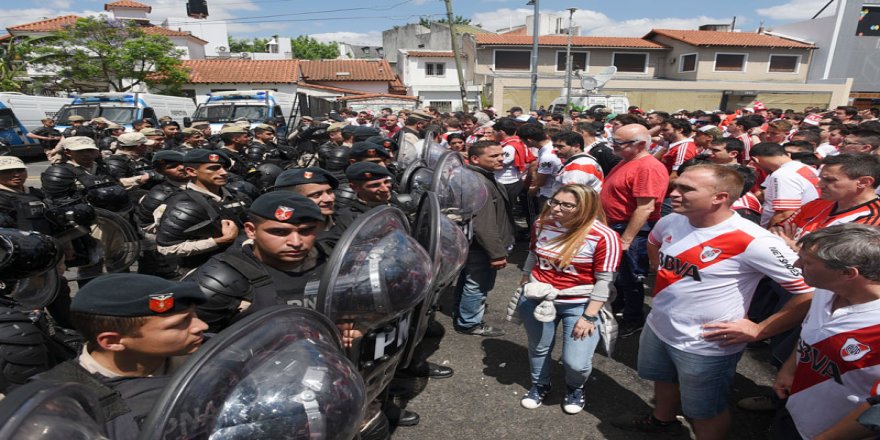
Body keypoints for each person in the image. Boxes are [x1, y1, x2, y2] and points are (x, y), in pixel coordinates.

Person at [612, 164, 814, 439]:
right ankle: (662, 420)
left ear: (719, 197)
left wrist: (761, 329)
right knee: (664, 379)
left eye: (687, 188)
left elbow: (811, 291)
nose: (674, 193)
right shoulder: (671, 220)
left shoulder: (755, 240)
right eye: (677, 185)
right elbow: (654, 243)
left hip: (706, 344)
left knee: (704, 410)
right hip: (660, 326)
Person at [33, 273, 208, 439]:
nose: (202, 326)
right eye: (180, 323)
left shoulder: (212, 357)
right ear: (112, 341)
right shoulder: (59, 404)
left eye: (194, 315)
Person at [515, 184, 621, 414]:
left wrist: (589, 317)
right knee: (539, 347)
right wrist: (525, 279)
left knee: (576, 362)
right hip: (538, 297)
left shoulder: (604, 236)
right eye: (554, 201)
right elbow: (533, 254)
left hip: (581, 303)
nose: (556, 208)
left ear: (585, 208)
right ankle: (540, 384)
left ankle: (575, 387)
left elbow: (604, 281)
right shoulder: (541, 224)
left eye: (567, 205)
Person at [772, 224, 880, 439]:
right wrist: (790, 368)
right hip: (795, 410)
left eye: (808, 262)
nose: (796, 264)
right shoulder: (827, 288)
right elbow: (812, 333)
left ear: (847, 273)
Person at [600, 124, 669, 337]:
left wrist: (626, 239)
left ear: (639, 145)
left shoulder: (648, 167)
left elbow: (646, 207)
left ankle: (633, 319)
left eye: (618, 143)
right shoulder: (626, 161)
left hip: (631, 230)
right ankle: (621, 307)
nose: (613, 146)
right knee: (620, 275)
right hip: (616, 227)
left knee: (631, 277)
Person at [453, 140, 514, 337]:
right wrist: (496, 253)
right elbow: (483, 224)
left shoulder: (479, 176)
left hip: (475, 245)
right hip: (481, 247)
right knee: (478, 284)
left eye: (501, 155)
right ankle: (470, 322)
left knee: (469, 279)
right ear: (475, 159)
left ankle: (463, 313)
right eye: (494, 156)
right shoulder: (479, 182)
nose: (500, 159)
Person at [155, 150, 250, 275]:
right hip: (204, 272)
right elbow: (167, 248)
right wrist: (219, 241)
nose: (223, 173)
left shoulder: (239, 196)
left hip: (245, 266)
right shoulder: (179, 203)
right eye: (213, 168)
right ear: (191, 171)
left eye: (224, 168)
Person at [750, 142, 820, 227]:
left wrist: (770, 235)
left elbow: (784, 214)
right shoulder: (805, 167)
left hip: (791, 229)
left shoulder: (783, 175)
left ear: (756, 159)